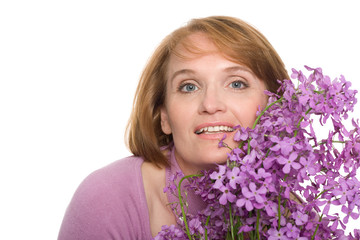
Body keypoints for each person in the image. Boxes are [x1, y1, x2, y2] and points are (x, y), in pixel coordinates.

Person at [58, 16, 289, 239]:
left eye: (236, 83)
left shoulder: (288, 212)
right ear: (164, 117)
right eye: (189, 87)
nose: (210, 104)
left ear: (275, 107)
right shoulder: (106, 198)